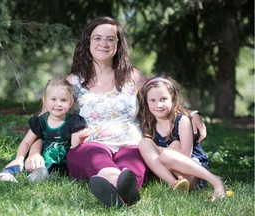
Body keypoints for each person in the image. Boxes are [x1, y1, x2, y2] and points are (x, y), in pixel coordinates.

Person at [25, 16, 207, 207]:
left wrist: (192, 113)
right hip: (89, 145)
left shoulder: (133, 76)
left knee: (134, 163)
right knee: (94, 157)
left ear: (118, 45)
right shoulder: (72, 82)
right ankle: (116, 181)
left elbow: (162, 98)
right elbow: (42, 123)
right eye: (97, 38)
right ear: (88, 42)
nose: (104, 43)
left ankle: (121, 188)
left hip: (131, 144)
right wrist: (34, 153)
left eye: (110, 39)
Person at [137, 76, 226, 201]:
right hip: (172, 173)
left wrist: (159, 149)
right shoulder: (149, 124)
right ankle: (175, 184)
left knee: (167, 154)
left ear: (173, 100)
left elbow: (186, 154)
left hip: (193, 172)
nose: (158, 105)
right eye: (152, 100)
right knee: (144, 143)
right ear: (146, 102)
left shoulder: (182, 120)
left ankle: (216, 181)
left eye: (163, 99)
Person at [0, 78, 89, 183]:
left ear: (71, 102)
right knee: (23, 160)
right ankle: (7, 173)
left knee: (53, 166)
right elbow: (26, 142)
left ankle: (36, 177)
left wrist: (81, 138)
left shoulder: (74, 121)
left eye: (63, 100)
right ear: (45, 100)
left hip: (58, 159)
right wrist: (19, 158)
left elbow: (74, 145)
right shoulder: (40, 122)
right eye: (53, 99)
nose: (58, 104)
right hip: (40, 154)